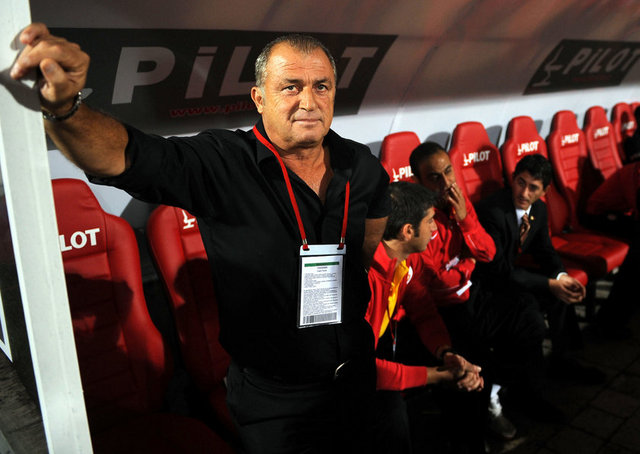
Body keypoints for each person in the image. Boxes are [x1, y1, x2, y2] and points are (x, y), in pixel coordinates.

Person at [11, 24, 391, 454]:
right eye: (290, 87)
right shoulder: (221, 163)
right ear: (259, 98)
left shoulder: (361, 165)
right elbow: (125, 157)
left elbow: (365, 246)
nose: (308, 101)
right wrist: (65, 108)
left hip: (358, 378)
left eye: (321, 86)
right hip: (277, 404)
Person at [409, 142, 540, 436]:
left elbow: (488, 253)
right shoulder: (419, 217)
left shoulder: (459, 201)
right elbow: (435, 282)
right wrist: (465, 264)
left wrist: (465, 219)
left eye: (448, 172)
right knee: (475, 356)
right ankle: (482, 416)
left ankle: (502, 390)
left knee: (529, 317)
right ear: (417, 181)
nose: (446, 183)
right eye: (434, 177)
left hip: (471, 291)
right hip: (443, 308)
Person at [474, 154, 605, 418]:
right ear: (512, 179)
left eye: (533, 187)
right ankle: (529, 392)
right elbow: (498, 270)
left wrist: (561, 277)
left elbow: (545, 250)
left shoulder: (539, 210)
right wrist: (548, 284)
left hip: (511, 278)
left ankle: (561, 359)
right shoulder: (492, 211)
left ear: (544, 191)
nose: (524, 193)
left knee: (560, 294)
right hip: (486, 286)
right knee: (531, 313)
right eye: (520, 183)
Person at [366, 181, 484, 453]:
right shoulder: (365, 278)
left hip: (390, 340)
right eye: (430, 221)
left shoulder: (408, 257)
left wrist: (446, 353)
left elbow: (423, 310)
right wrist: (436, 375)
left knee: (467, 370)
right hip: (358, 369)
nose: (434, 229)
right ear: (408, 231)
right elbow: (363, 370)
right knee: (393, 426)